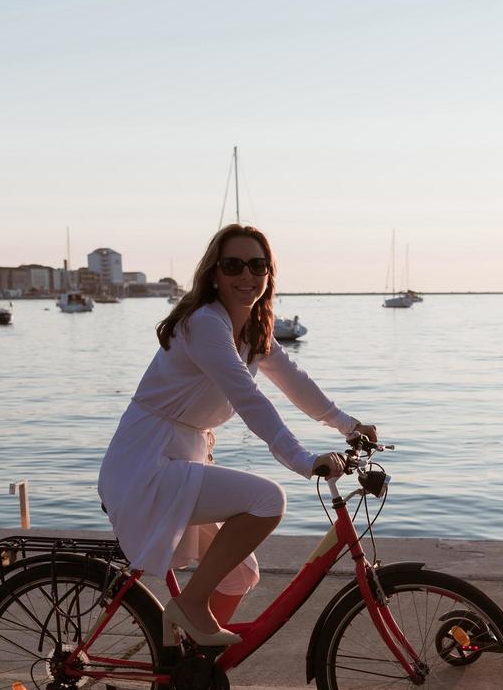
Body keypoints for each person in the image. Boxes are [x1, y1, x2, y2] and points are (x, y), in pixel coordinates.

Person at [99, 224, 375, 657]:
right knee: (268, 501)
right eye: (233, 265)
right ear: (214, 273)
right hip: (146, 463)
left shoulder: (249, 330)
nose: (246, 274)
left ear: (269, 274)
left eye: (257, 265)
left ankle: (191, 666)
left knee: (239, 574)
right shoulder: (205, 324)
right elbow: (248, 399)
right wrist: (303, 461)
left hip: (179, 457)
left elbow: (294, 382)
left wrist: (348, 425)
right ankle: (189, 605)